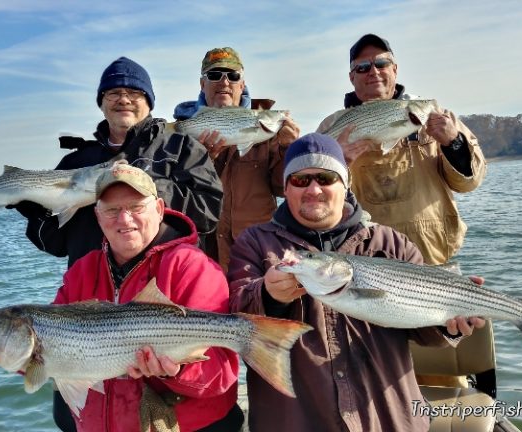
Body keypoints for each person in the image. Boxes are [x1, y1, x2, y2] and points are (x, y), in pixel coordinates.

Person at [0, 163, 243, 432]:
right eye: (112, 209)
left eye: (136, 207)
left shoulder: (192, 267)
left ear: (158, 208)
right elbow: (42, 359)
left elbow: (221, 376)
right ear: (97, 215)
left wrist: (176, 372)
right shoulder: (83, 270)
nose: (124, 219)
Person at [228, 133, 485, 431]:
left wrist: (448, 325)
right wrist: (268, 294)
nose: (313, 189)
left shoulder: (391, 244)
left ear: (345, 183)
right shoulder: (255, 242)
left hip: (387, 417)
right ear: (286, 188)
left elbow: (425, 332)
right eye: (300, 180)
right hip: (297, 419)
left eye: (326, 178)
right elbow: (235, 315)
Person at [12, 56, 223, 268]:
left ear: (149, 102)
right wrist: (32, 208)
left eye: (134, 93)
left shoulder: (182, 148)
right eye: (113, 93)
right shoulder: (75, 162)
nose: (123, 100)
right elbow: (55, 245)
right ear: (101, 103)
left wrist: (143, 183)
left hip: (164, 283)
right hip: (90, 291)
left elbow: (209, 215)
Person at [317, 34, 487, 265]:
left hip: (432, 254)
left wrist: (453, 142)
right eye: (363, 67)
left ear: (395, 69)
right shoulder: (330, 127)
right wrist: (338, 163)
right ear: (351, 77)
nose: (373, 72)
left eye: (381, 64)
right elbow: (317, 198)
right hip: (366, 256)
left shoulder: (438, 116)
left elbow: (469, 183)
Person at [174, 47, 300, 271]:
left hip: (256, 253)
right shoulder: (182, 131)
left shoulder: (267, 131)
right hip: (202, 253)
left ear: (242, 85)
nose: (224, 82)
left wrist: (289, 148)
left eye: (233, 76)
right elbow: (174, 195)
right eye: (214, 75)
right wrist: (201, 161)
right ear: (202, 84)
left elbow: (283, 189)